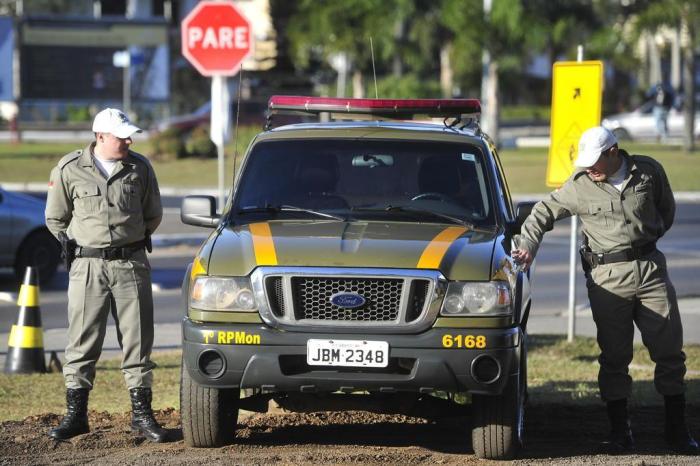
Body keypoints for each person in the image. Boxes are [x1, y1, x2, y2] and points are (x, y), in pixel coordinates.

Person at [511, 126, 697, 455]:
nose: (589, 168)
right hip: (607, 278)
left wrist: (645, 242)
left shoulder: (648, 171)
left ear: (613, 152)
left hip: (651, 270)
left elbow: (665, 212)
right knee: (614, 357)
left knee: (669, 352)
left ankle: (676, 431)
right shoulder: (580, 186)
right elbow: (542, 213)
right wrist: (527, 246)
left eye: (595, 161)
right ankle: (619, 433)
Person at [45, 108, 166, 443]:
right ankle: (76, 415)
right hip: (88, 267)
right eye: (120, 136)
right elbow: (55, 218)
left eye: (129, 135)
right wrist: (81, 246)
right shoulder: (70, 169)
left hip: (131, 264)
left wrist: (129, 240)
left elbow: (152, 214)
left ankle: (142, 416)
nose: (128, 140)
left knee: (138, 342)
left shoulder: (139, 168)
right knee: (82, 342)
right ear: (100, 136)